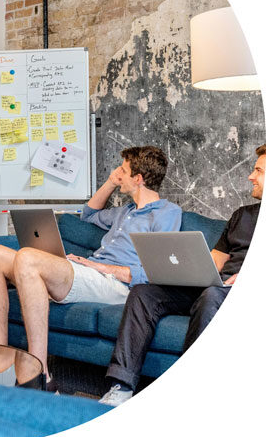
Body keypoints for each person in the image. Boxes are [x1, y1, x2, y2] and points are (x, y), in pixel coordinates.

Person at [0, 145, 181, 389]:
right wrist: (109, 182)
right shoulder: (124, 212)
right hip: (90, 274)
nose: (118, 173)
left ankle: (40, 373)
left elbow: (155, 271)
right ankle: (0, 350)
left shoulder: (166, 213)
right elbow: (88, 214)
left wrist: (101, 267)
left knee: (28, 258)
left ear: (138, 179)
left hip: (116, 285)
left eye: (123, 171)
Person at [99, 144, 264, 407]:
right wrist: (188, 270)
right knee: (144, 293)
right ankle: (121, 387)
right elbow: (215, 260)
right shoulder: (242, 216)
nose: (250, 176)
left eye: (258, 170)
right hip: (215, 286)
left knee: (211, 294)